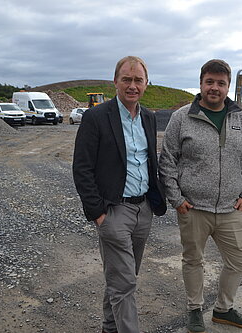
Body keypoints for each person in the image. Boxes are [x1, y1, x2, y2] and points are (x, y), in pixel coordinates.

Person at [159, 59, 242, 332]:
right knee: (193, 260)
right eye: (209, 82)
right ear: (201, 83)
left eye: (221, 83)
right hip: (193, 209)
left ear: (228, 86)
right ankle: (194, 309)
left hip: (231, 209)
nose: (215, 88)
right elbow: (167, 161)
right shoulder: (182, 117)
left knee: (240, 259)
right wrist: (177, 200)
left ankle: (223, 309)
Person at [73, 56, 167, 333]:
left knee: (121, 277)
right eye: (127, 79)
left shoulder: (149, 117)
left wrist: (153, 201)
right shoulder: (96, 118)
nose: (132, 85)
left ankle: (109, 328)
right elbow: (82, 168)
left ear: (146, 84)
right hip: (114, 212)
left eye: (138, 80)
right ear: (115, 82)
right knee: (125, 282)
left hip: (143, 211)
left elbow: (150, 160)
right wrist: (99, 214)